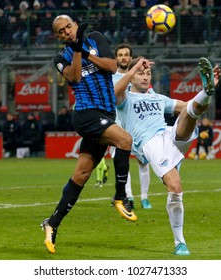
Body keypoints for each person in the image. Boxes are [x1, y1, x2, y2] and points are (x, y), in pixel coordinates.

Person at [40, 15, 136, 254]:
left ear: (75, 26)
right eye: (61, 32)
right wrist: (76, 51)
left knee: (81, 175)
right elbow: (73, 77)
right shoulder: (61, 57)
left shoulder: (95, 39)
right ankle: (120, 196)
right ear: (58, 37)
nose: (66, 32)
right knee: (125, 140)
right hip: (86, 114)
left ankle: (52, 223)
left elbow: (112, 66)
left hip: (106, 114)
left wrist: (85, 49)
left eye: (69, 27)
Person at [114, 56, 221, 255]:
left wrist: (206, 94)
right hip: (150, 143)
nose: (146, 77)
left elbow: (192, 106)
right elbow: (115, 93)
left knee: (190, 112)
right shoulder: (126, 99)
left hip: (168, 134)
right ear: (131, 75)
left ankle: (206, 91)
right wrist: (133, 68)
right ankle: (179, 242)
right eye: (140, 73)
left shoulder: (159, 98)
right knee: (175, 187)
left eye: (148, 73)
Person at [112, 43, 152, 209]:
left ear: (130, 57)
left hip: (138, 125)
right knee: (122, 161)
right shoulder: (110, 77)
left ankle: (144, 197)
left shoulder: (139, 75)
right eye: (120, 54)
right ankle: (128, 196)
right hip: (117, 125)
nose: (123, 57)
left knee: (143, 162)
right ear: (116, 58)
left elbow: (149, 96)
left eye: (126, 54)